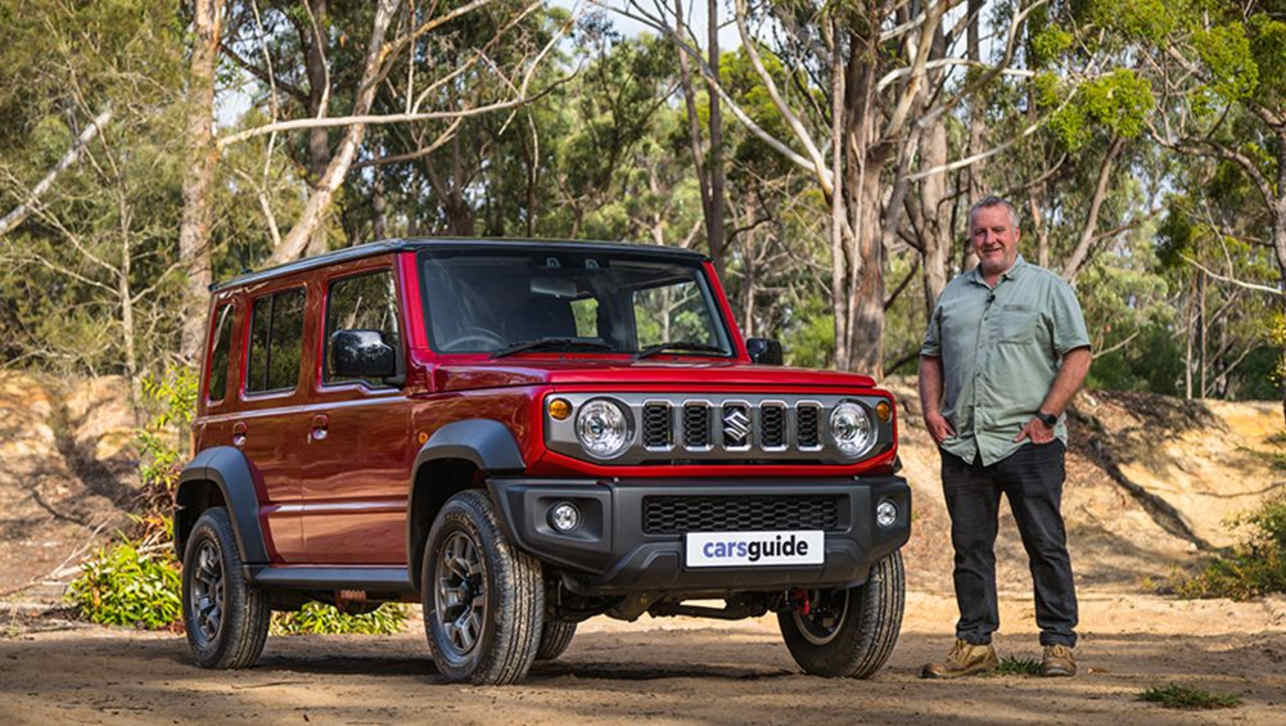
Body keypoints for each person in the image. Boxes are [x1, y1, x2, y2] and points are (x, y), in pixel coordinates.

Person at [917, 195, 1092, 678]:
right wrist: (931, 410)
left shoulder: (1048, 289)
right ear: (971, 238)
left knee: (1045, 543)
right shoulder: (953, 294)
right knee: (970, 547)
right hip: (964, 445)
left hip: (1028, 442)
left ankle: (1058, 644)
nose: (989, 240)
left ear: (1015, 235)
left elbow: (1077, 354)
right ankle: (975, 645)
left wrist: (1048, 417)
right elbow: (930, 356)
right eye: (980, 233)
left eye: (998, 231)